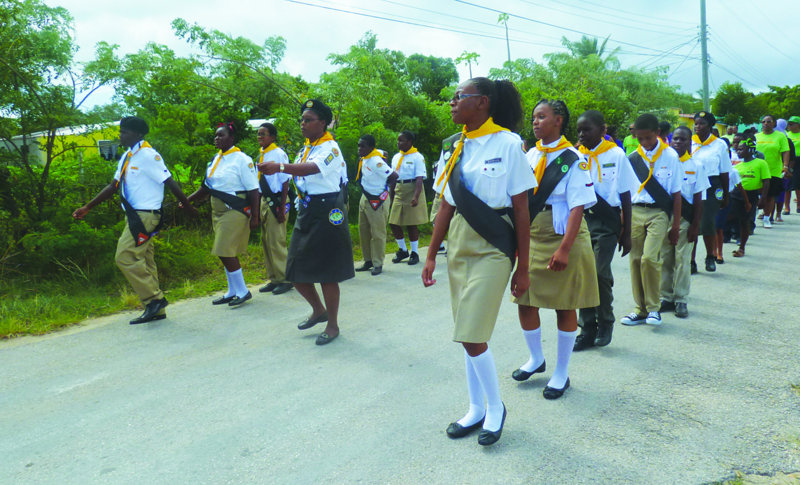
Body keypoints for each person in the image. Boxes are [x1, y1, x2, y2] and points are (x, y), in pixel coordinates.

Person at [422, 77, 534, 446]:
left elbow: (521, 208)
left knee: (471, 333)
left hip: (494, 243)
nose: (452, 103)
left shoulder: (509, 144)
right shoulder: (453, 146)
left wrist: (523, 266)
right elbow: (446, 204)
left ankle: (496, 407)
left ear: (482, 102)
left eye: (459, 97)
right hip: (459, 241)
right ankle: (475, 408)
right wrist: (430, 254)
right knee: (466, 333)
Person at [511, 99, 598, 399]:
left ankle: (561, 372)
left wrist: (564, 249)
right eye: (534, 117)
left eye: (542, 116)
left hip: (563, 233)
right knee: (524, 298)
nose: (535, 122)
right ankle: (536, 358)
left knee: (565, 305)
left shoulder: (573, 158)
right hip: (535, 232)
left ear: (558, 120)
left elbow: (578, 207)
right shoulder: (531, 154)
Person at [72, 116, 198, 324]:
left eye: (125, 132)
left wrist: (188, 206)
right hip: (133, 215)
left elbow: (169, 181)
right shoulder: (128, 156)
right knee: (145, 260)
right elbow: (113, 186)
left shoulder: (148, 155)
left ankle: (154, 299)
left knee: (125, 257)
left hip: (146, 215)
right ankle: (156, 309)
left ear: (137, 134)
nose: (121, 135)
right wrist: (88, 207)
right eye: (120, 131)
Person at [259, 99, 354, 346]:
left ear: (323, 123)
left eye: (308, 120)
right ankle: (318, 310)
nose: (303, 124)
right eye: (302, 119)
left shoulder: (330, 148)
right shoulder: (306, 148)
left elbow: (311, 169)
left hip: (327, 211)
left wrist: (279, 166)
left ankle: (332, 325)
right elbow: (300, 176)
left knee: (327, 273)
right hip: (307, 211)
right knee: (294, 269)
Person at [573, 110, 636, 351]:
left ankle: (605, 322)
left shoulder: (616, 154)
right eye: (579, 130)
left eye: (587, 129)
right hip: (581, 220)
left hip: (607, 221)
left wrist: (627, 232)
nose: (582, 134)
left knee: (599, 273)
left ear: (602, 130)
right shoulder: (576, 156)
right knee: (582, 274)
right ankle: (587, 327)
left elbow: (625, 193)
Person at [185, 122, 260, 307]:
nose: (216, 138)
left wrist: (256, 216)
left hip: (234, 209)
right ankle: (232, 291)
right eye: (216, 135)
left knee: (224, 250)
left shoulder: (241, 159)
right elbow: (207, 187)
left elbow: (253, 189)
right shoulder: (215, 159)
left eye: (221, 135)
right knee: (225, 252)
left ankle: (243, 291)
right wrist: (187, 200)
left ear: (231, 138)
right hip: (217, 211)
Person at [620, 114, 682, 327]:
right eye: (640, 138)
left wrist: (675, 226)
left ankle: (654, 308)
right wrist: (624, 222)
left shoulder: (670, 156)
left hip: (658, 213)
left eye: (648, 137)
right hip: (636, 211)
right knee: (635, 259)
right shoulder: (632, 158)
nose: (644, 142)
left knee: (649, 258)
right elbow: (625, 193)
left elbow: (676, 193)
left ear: (658, 133)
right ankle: (640, 309)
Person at [659, 126, 708, 319]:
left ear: (690, 142)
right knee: (665, 259)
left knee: (682, 260)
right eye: (676, 139)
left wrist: (696, 225)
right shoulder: (663, 163)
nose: (678, 142)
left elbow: (699, 198)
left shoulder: (696, 165)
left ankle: (681, 299)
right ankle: (666, 297)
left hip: (686, 219)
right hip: (665, 218)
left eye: (683, 139)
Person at [690, 111, 731, 273]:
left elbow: (725, 171)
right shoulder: (689, 142)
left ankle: (709, 257)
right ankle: (691, 260)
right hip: (691, 184)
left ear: (710, 126)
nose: (698, 126)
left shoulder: (719, 145)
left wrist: (726, 194)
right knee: (690, 223)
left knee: (708, 222)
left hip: (711, 185)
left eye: (702, 123)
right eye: (696, 123)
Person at [255, 122, 293, 296]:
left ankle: (285, 278)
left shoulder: (278, 153)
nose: (260, 137)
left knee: (277, 241)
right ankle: (274, 278)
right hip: (264, 200)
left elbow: (285, 181)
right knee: (266, 240)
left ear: (272, 137)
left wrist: (282, 207)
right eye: (258, 134)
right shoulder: (261, 155)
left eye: (263, 134)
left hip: (277, 200)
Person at [355, 134, 398, 275]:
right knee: (364, 231)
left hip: (377, 200)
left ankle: (378, 263)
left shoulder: (376, 161)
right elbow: (383, 152)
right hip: (365, 197)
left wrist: (386, 192)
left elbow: (394, 176)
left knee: (377, 233)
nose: (359, 149)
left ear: (370, 147)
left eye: (363, 146)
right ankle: (368, 260)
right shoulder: (366, 157)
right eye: (359, 146)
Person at [389, 131, 428, 265]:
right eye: (398, 140)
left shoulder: (417, 157)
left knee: (411, 223)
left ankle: (414, 253)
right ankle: (403, 250)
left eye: (401, 140)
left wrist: (416, 196)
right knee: (393, 222)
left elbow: (419, 179)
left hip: (412, 188)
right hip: (399, 189)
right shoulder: (396, 157)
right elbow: (393, 178)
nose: (398, 143)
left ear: (410, 142)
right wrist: (391, 196)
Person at [731, 135, 770, 257]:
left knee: (745, 221)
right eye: (738, 149)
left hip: (752, 195)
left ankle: (742, 247)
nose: (738, 151)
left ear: (750, 150)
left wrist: (763, 198)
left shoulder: (761, 163)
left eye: (741, 149)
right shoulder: (737, 166)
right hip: (736, 194)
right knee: (732, 218)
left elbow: (766, 181)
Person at [756, 115, 790, 228]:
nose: (766, 123)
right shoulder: (756, 136)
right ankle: (752, 218)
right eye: (763, 121)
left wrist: (785, 166)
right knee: (755, 195)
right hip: (758, 170)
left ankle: (767, 218)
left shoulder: (780, 136)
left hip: (773, 171)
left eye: (769, 121)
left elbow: (785, 151)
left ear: (774, 124)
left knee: (770, 196)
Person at [785, 116, 800, 213]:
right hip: (789, 160)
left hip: (799, 160)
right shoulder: (786, 135)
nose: (789, 126)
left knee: (798, 183)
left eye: (792, 124)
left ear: (798, 125)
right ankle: (787, 207)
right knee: (787, 184)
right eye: (788, 124)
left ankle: (799, 205)